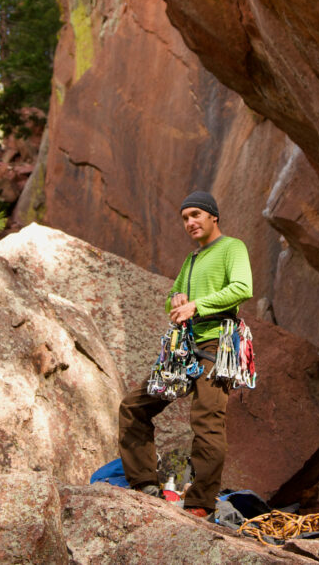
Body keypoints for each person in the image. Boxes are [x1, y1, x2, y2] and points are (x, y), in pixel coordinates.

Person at [118, 190, 253, 518]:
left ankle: (200, 506)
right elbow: (171, 300)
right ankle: (146, 487)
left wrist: (197, 304)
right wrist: (176, 298)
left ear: (213, 216)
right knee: (134, 406)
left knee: (207, 421)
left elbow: (242, 288)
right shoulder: (192, 260)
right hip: (183, 349)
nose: (190, 222)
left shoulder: (232, 248)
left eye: (196, 215)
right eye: (184, 218)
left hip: (215, 346)